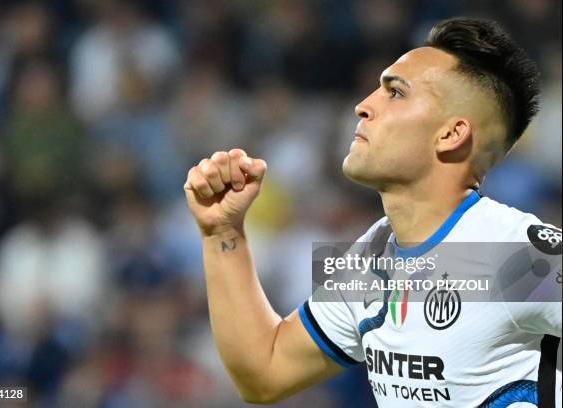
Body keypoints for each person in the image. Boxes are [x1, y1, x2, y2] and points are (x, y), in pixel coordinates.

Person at [183, 17, 562, 407]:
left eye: (395, 93)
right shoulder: (373, 254)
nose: (363, 106)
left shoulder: (518, 255)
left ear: (451, 134)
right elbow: (265, 373)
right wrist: (222, 233)